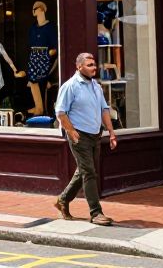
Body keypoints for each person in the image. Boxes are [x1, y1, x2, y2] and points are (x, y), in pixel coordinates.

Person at [54, 52, 117, 226]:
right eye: (89, 65)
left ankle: (62, 200)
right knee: (89, 172)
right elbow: (60, 112)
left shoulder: (95, 86)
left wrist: (111, 132)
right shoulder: (71, 86)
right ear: (79, 66)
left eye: (94, 64)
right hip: (79, 135)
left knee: (84, 170)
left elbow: (104, 110)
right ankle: (96, 212)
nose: (94, 67)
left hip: (95, 135)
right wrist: (71, 131)